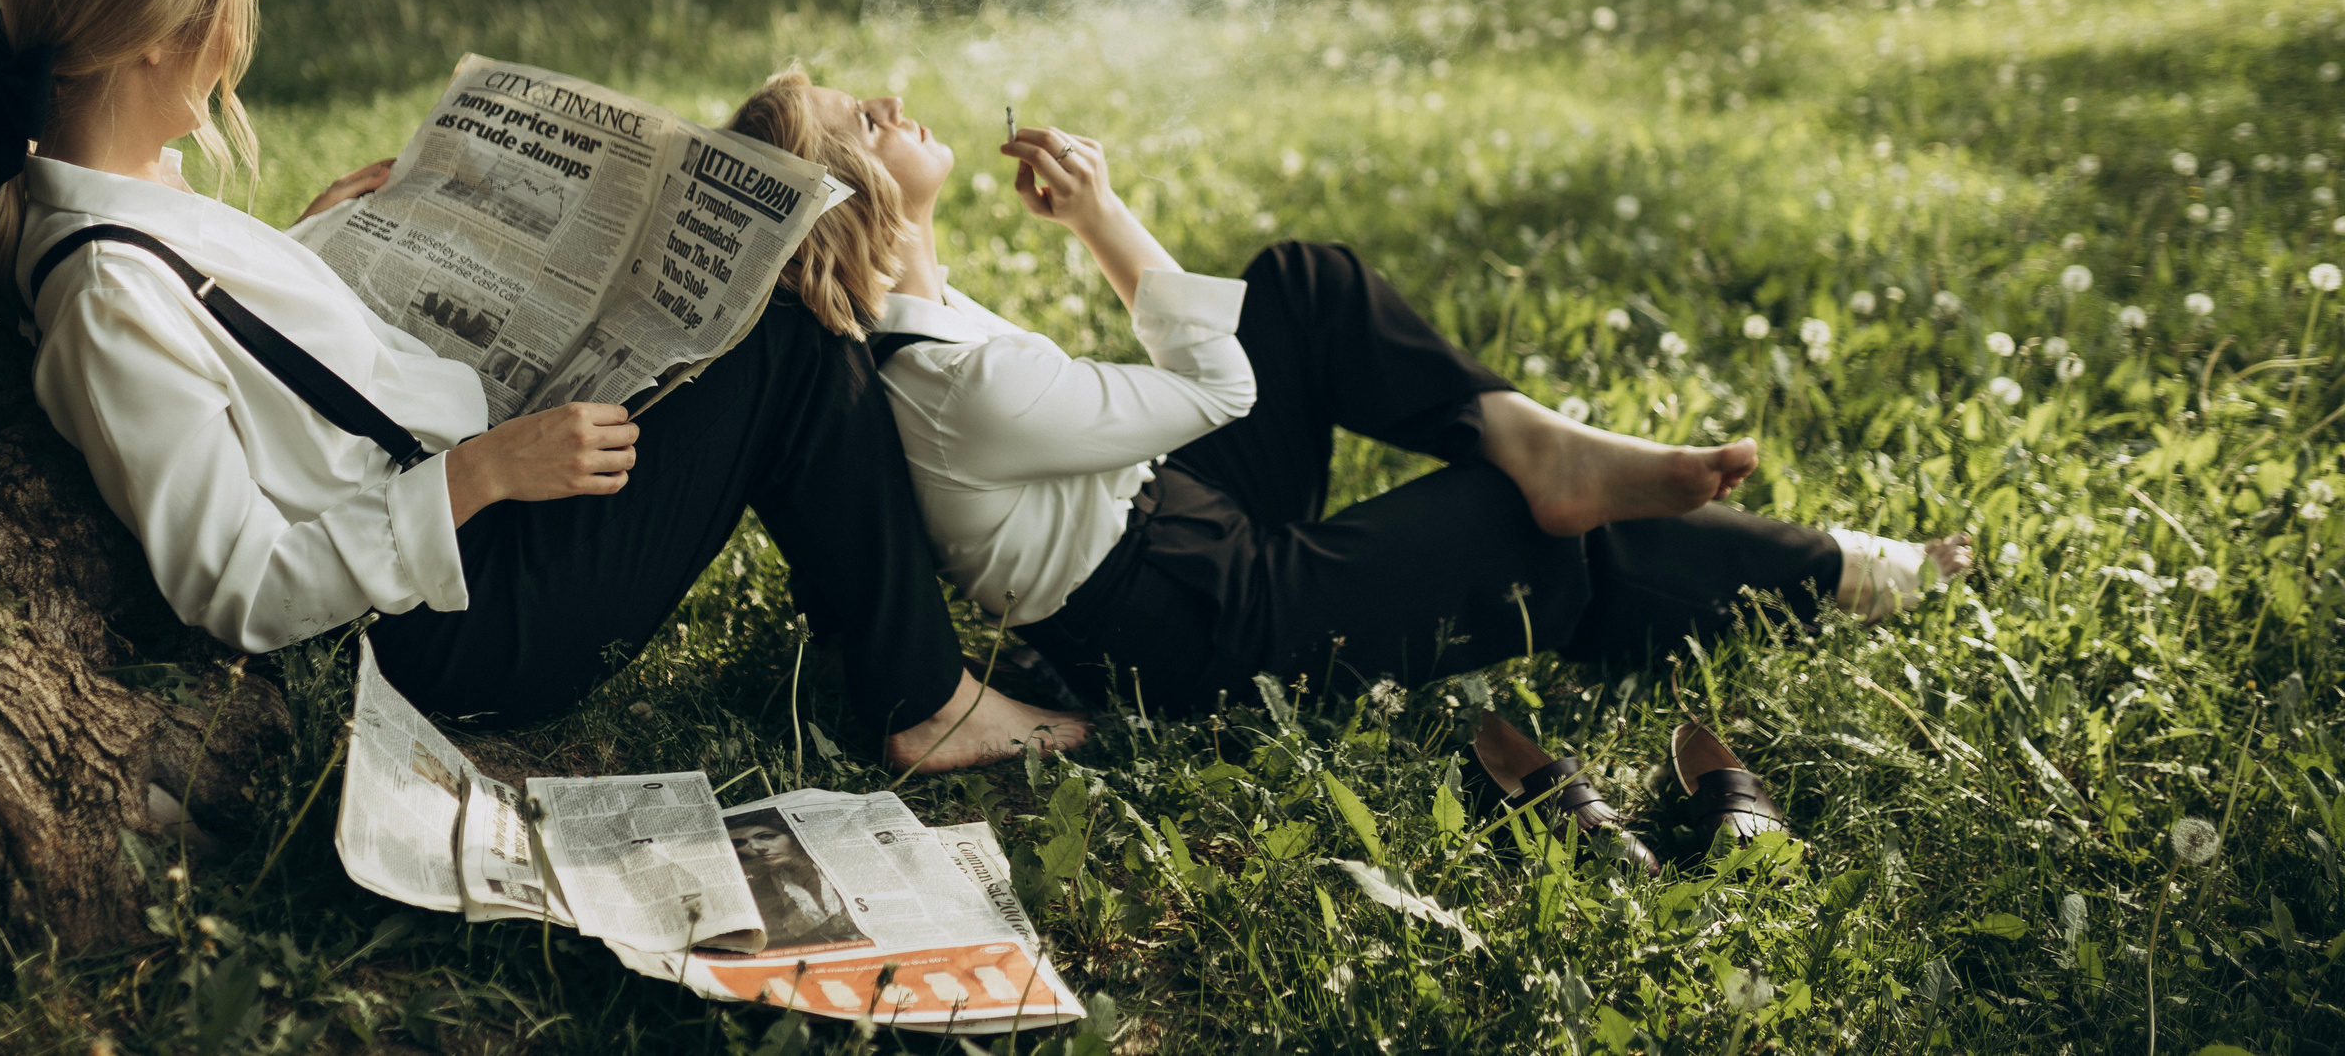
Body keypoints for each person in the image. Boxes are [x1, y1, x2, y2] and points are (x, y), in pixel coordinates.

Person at [0, 0, 1082, 773]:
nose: (234, 48)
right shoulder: (104, 295)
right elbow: (236, 586)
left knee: (740, 318)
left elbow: (246, 363)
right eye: (223, 17)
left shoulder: (124, 193)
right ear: (154, 40)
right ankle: (921, 698)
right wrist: (486, 471)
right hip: (451, 619)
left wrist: (307, 244)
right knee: (787, 347)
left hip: (458, 518)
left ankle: (872, 637)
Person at [728, 68, 1970, 865]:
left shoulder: (931, 327)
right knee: (1518, 536)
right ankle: (1845, 572)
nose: (893, 97)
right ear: (854, 198)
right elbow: (1217, 390)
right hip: (1195, 623)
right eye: (864, 119)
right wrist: (1103, 216)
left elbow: (1200, 390)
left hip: (1169, 527)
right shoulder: (962, 384)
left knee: (1302, 287)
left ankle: (1532, 438)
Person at [724, 811, 868, 951]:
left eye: (766, 836)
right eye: (740, 843)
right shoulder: (762, 888)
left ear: (793, 836)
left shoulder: (843, 862)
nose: (757, 847)